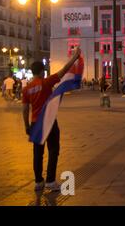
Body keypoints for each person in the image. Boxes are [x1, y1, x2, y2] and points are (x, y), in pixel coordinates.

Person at [22, 47, 82, 192]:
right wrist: (74, 57)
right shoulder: (46, 82)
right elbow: (63, 71)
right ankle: (50, 180)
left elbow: (24, 109)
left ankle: (38, 182)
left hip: (35, 122)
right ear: (42, 71)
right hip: (48, 121)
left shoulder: (26, 89)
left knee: (37, 152)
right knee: (53, 149)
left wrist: (27, 126)